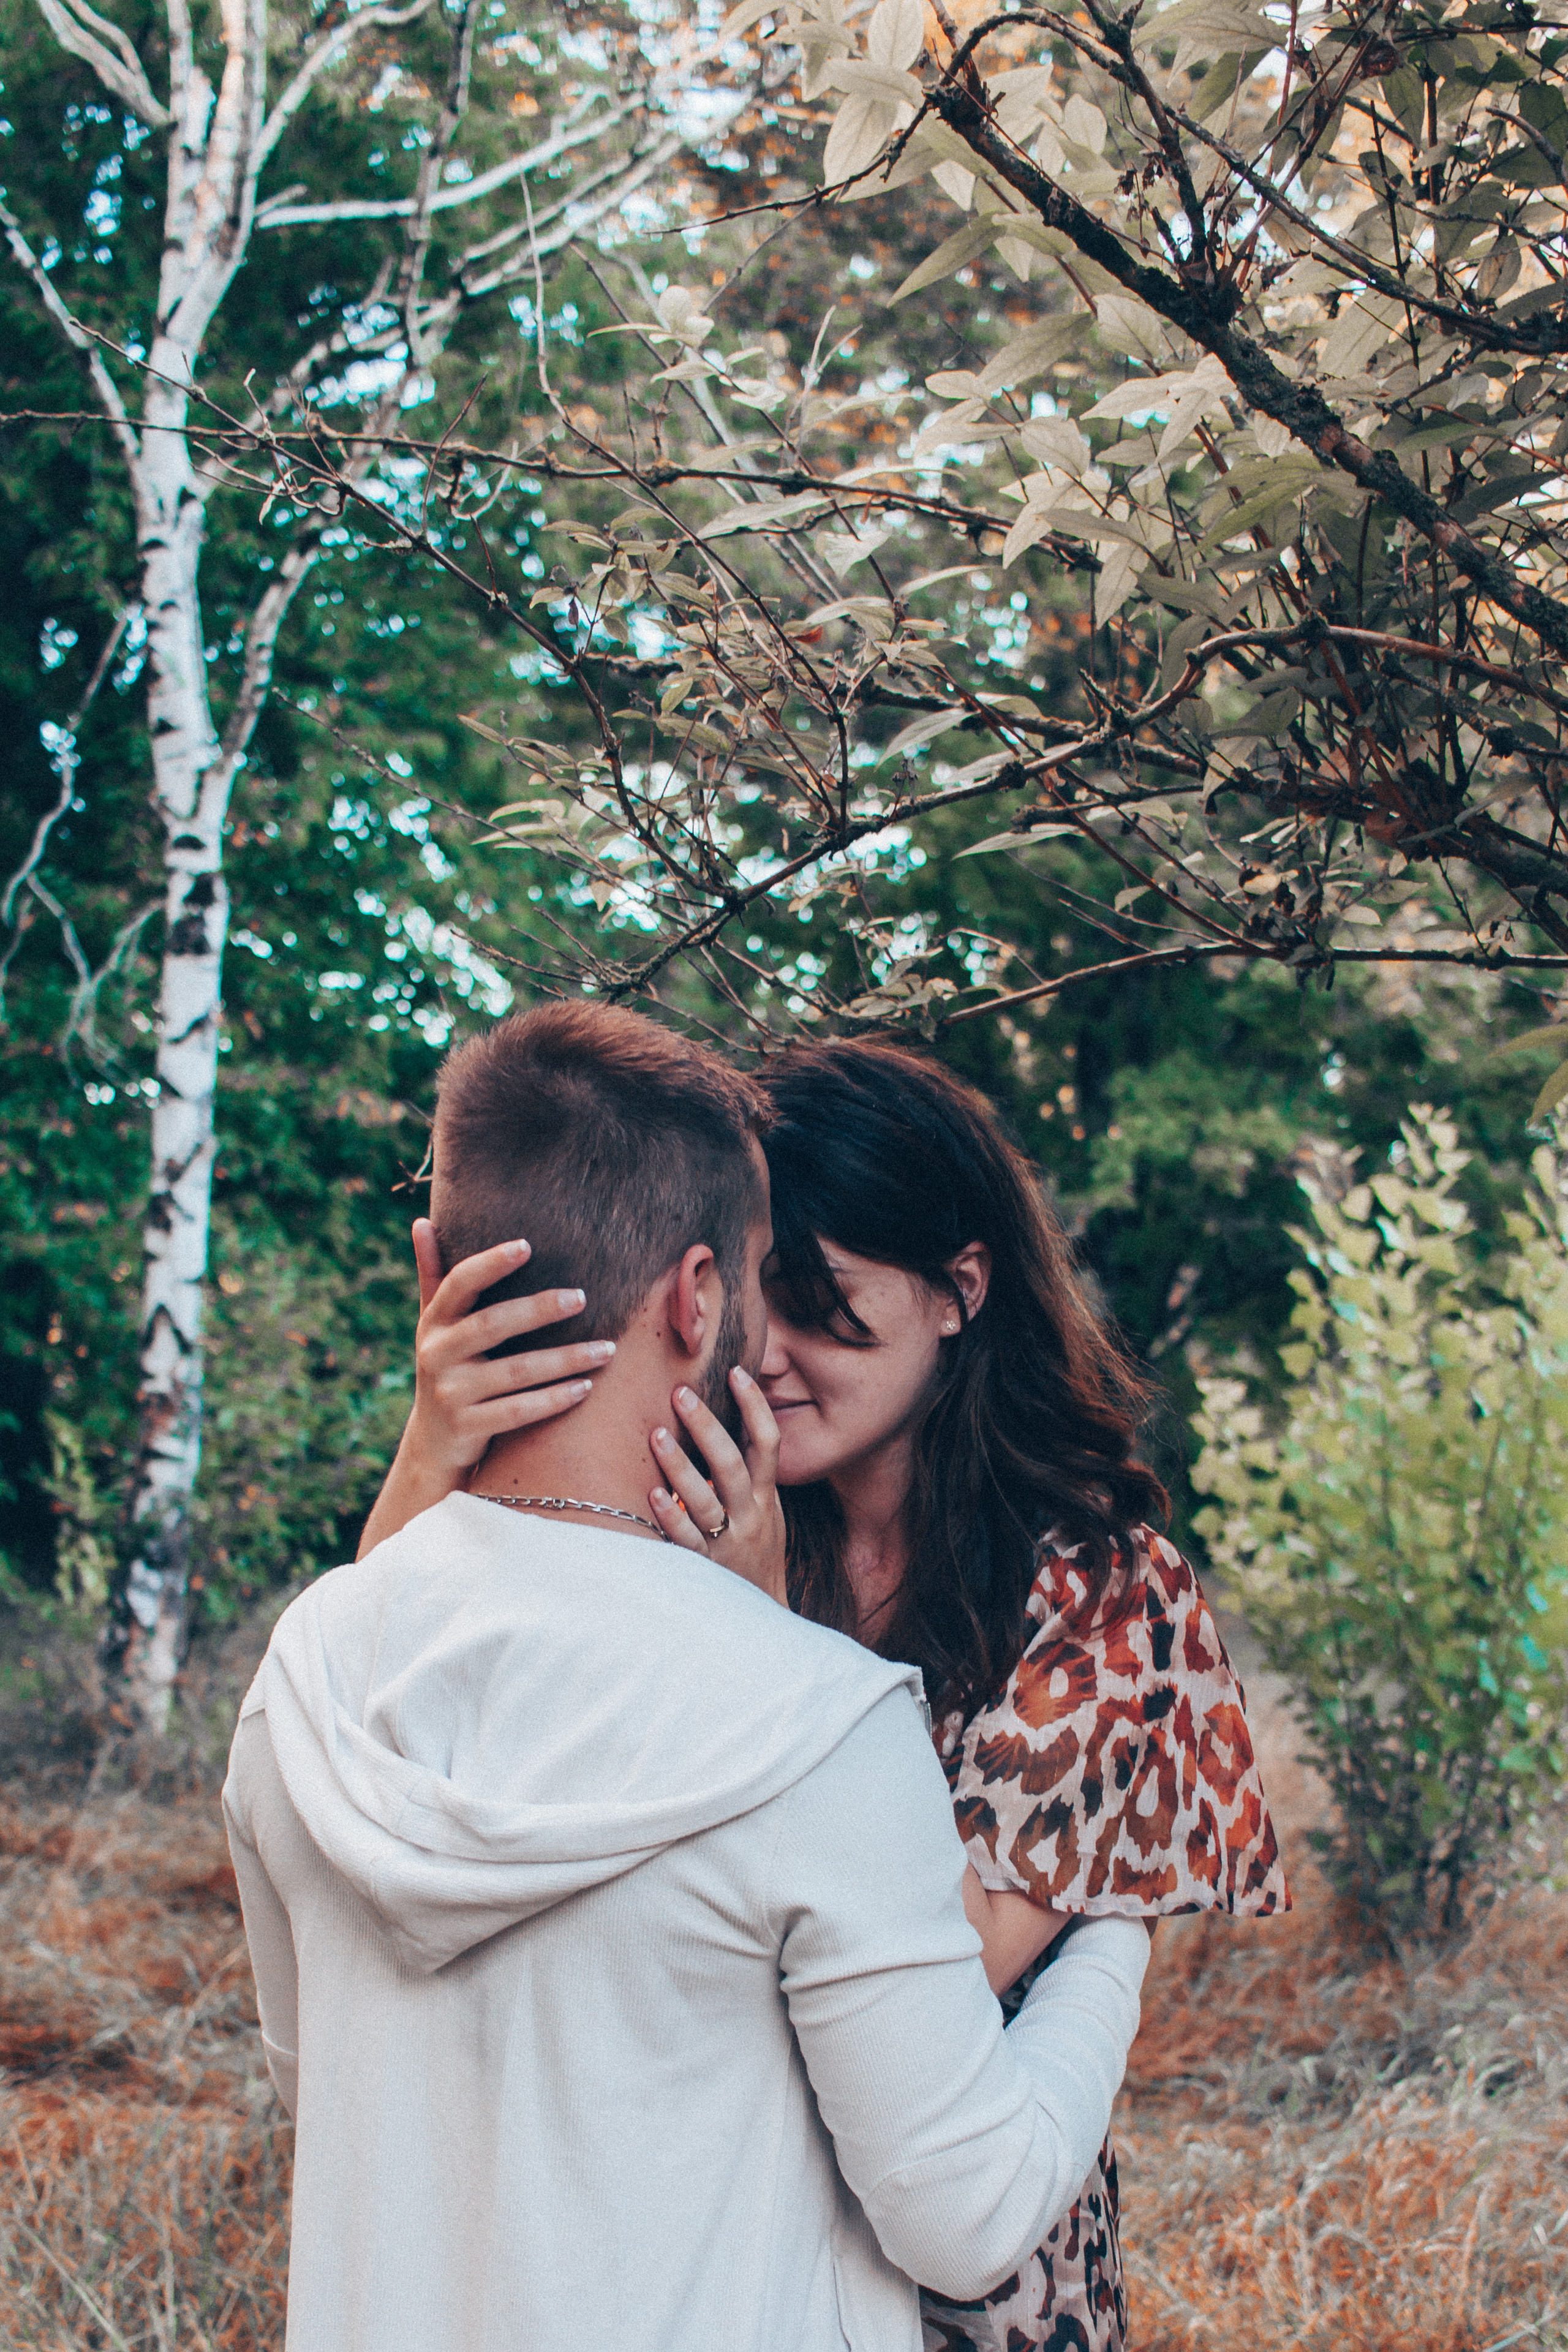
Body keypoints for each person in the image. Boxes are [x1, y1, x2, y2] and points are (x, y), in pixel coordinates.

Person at [224, 1001, 1153, 2352]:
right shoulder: (821, 1726)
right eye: (766, 1279)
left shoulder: (303, 1676)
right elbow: (969, 2211)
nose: (767, 1345)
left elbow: (337, 2086)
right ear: (698, 1294)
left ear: (441, 1269)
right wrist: (1113, 1938)